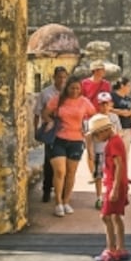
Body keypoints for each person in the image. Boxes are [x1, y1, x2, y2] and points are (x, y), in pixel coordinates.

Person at [42, 75, 95, 217]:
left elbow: (93, 115)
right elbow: (45, 113)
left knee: (71, 173)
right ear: (67, 88)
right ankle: (58, 203)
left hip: (76, 141)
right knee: (60, 172)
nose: (75, 91)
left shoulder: (84, 102)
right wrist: (50, 121)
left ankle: (66, 201)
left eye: (78, 88)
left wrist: (88, 127)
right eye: (72, 88)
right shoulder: (58, 100)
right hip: (58, 139)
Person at [87, 113, 130, 261]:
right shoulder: (116, 140)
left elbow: (119, 166)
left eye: (97, 135)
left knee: (105, 216)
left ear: (105, 131)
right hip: (116, 183)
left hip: (114, 184)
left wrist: (115, 188)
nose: (97, 138)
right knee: (116, 216)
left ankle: (111, 249)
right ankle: (121, 247)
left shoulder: (113, 143)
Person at [33, 65, 69, 202]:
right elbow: (37, 113)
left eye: (64, 77)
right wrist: (36, 130)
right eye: (59, 77)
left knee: (65, 161)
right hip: (50, 129)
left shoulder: (69, 92)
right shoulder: (46, 93)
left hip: (66, 128)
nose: (62, 80)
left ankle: (63, 192)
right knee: (49, 161)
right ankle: (47, 190)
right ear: (54, 78)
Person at [88, 92, 122, 210]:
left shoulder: (114, 117)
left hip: (111, 151)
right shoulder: (94, 119)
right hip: (99, 150)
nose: (104, 106)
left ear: (110, 104)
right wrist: (90, 151)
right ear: (98, 105)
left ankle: (110, 196)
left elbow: (119, 133)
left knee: (112, 174)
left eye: (106, 104)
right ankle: (99, 197)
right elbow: (89, 136)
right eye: (102, 104)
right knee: (98, 175)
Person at [110, 77, 131, 156]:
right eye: (128, 85)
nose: (130, 88)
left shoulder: (129, 99)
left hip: (127, 128)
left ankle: (124, 168)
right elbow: (108, 109)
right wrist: (121, 112)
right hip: (115, 128)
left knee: (125, 153)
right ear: (122, 86)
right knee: (115, 152)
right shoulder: (112, 96)